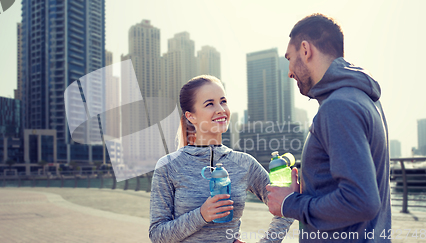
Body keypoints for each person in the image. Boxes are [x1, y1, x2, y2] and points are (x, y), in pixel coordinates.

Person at [266, 13, 391, 242]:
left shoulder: (339, 107)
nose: (289, 71)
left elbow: (361, 201)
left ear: (305, 49)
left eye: (289, 58)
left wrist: (290, 203)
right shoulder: (363, 99)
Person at [149, 75, 294, 243]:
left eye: (223, 101)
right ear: (191, 116)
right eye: (209, 104)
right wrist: (202, 214)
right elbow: (157, 235)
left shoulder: (244, 163)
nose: (221, 109)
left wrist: (268, 241)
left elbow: (286, 205)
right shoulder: (168, 166)